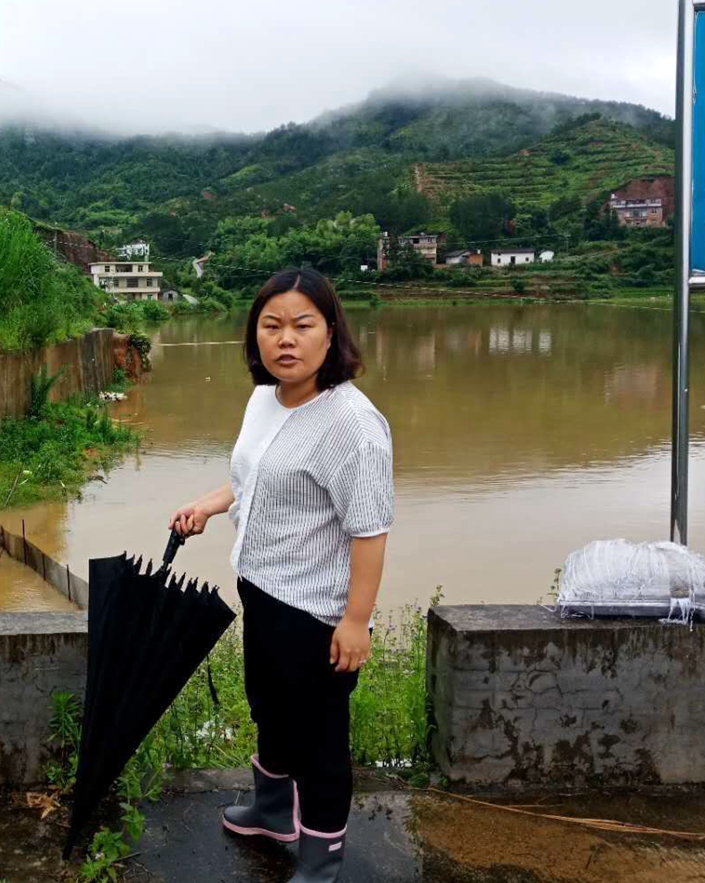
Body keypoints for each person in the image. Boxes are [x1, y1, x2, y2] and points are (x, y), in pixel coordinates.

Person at [169, 267, 393, 883]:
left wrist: (356, 621)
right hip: (260, 589)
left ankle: (321, 859)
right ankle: (271, 810)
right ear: (255, 336)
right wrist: (209, 507)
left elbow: (370, 530)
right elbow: (253, 479)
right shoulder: (264, 398)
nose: (285, 340)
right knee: (268, 705)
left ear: (330, 335)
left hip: (315, 611)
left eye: (302, 325)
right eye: (272, 326)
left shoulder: (352, 425)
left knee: (319, 736)